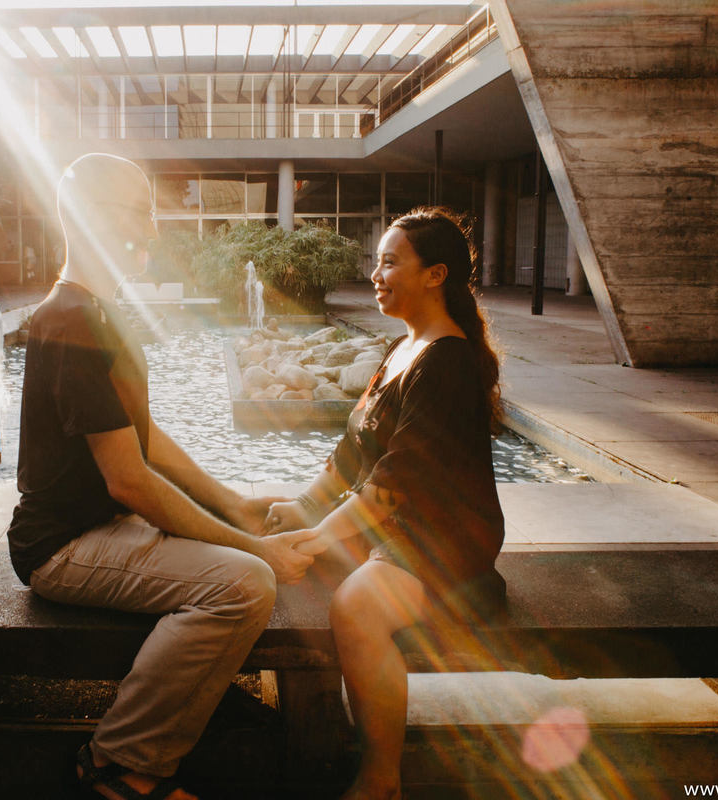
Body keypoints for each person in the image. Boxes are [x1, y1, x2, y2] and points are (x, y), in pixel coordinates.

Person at [5, 153, 316, 800]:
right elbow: (130, 481)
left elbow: (147, 442)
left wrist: (235, 506)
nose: (150, 231)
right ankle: (121, 766)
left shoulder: (94, 312)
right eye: (137, 213)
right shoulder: (71, 321)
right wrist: (254, 547)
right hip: (61, 547)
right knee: (244, 584)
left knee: (242, 562)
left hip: (103, 528)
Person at [265, 208, 506, 800]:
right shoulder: (404, 347)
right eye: (377, 261)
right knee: (259, 521)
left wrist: (318, 538)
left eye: (390, 262)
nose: (376, 273)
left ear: (435, 275)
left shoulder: (445, 360)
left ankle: (380, 779)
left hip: (442, 538)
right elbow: (351, 458)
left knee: (356, 608)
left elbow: (393, 484)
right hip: (393, 523)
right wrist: (298, 511)